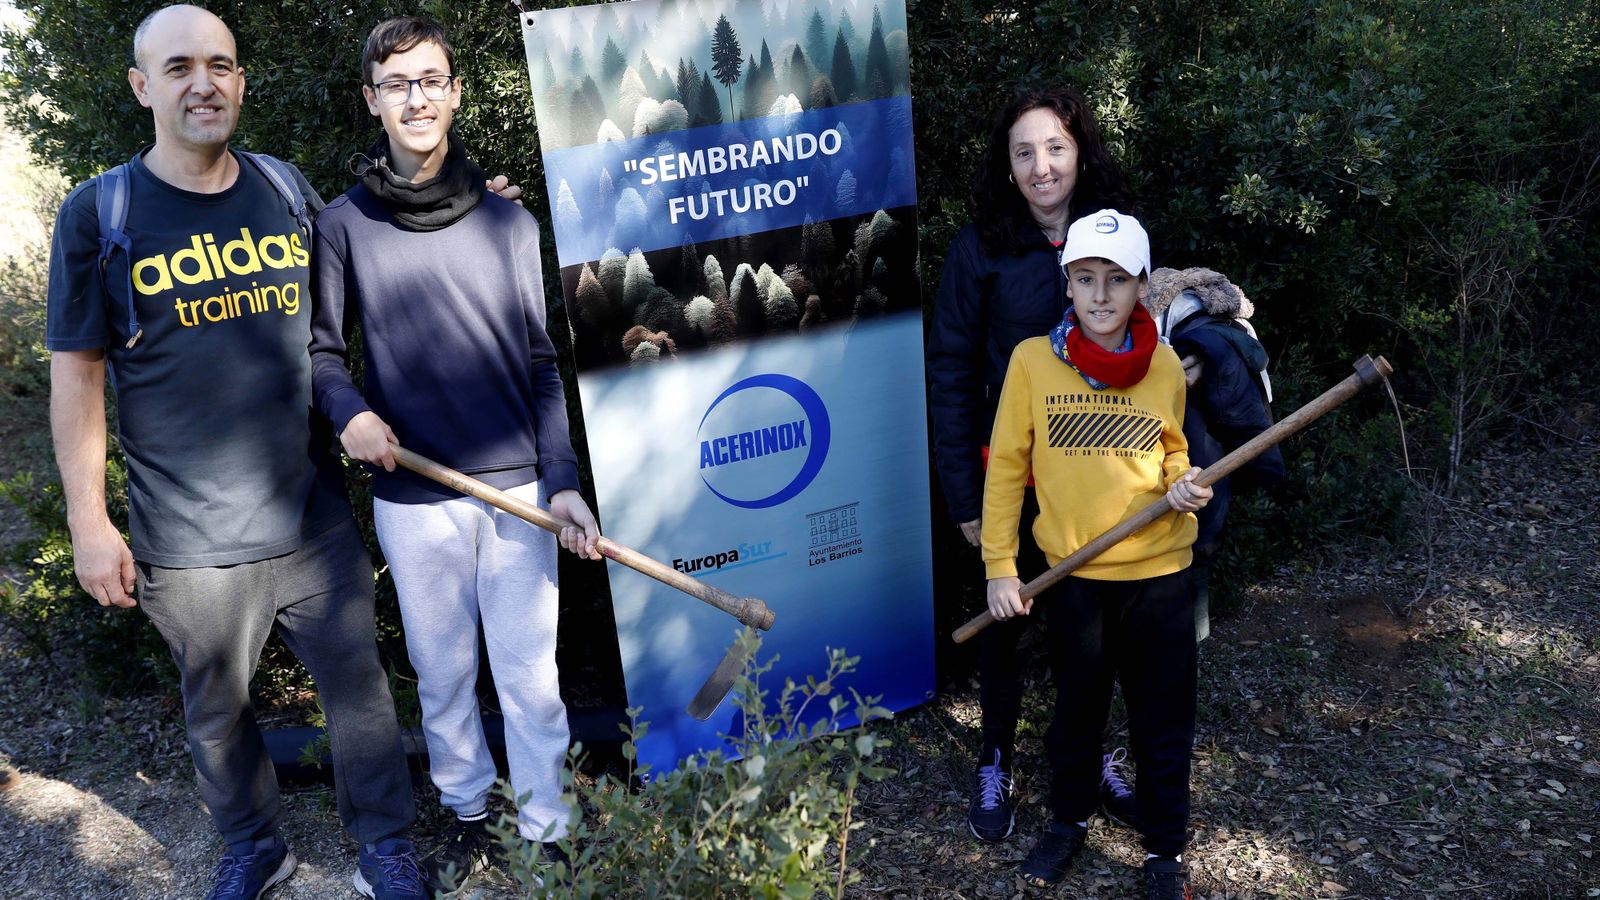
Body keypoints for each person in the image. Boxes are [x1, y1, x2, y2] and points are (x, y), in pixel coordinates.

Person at [44, 6, 429, 898]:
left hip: (310, 513)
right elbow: (77, 375)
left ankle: (385, 847)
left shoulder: (284, 190)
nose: (203, 84)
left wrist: (473, 212)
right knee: (217, 715)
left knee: (362, 696)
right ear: (142, 87)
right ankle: (256, 846)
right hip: (187, 537)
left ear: (242, 82)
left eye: (219, 65)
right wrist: (88, 521)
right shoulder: (101, 213)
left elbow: (371, 265)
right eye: (178, 67)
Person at [308, 15, 601, 895]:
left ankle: (547, 830)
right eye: (397, 84)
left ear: (456, 93)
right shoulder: (342, 225)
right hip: (413, 494)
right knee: (442, 676)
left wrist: (563, 482)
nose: (416, 98)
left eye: (431, 80)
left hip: (519, 496)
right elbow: (322, 353)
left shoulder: (510, 222)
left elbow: (542, 362)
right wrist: (352, 412)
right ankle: (469, 814)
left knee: (531, 679)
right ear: (372, 100)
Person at [925, 85, 1134, 841]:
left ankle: (1089, 754)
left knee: (1094, 623)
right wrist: (965, 496)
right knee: (1004, 625)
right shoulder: (980, 247)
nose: (1041, 167)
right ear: (1007, 166)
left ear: (1080, 152)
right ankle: (995, 759)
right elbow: (950, 371)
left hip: (1097, 468)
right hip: (1005, 471)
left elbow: (1152, 329)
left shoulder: (1115, 235)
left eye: (1055, 148)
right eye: (1024, 153)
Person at [982, 210, 1211, 899]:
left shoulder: (1163, 364)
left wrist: (1183, 484)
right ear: (1067, 285)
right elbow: (1006, 469)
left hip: (1161, 575)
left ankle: (1164, 852)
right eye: (1086, 279)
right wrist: (1000, 566)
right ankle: (1068, 821)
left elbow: (1172, 449)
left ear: (1142, 286)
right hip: (1073, 578)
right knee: (1076, 712)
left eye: (1116, 279)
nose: (1101, 295)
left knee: (1162, 720)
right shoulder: (1032, 362)